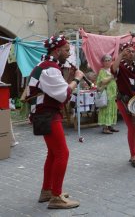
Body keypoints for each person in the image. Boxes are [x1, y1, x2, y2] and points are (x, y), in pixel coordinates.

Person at [26, 35, 83, 209]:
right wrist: (77, 79)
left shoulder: (46, 65)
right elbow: (64, 94)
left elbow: (55, 90)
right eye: (66, 50)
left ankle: (47, 191)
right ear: (57, 50)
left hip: (45, 114)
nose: (68, 53)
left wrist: (69, 79)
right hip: (47, 115)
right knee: (62, 154)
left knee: (53, 153)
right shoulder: (49, 68)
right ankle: (56, 196)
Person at [96, 54, 118, 134]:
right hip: (106, 93)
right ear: (103, 62)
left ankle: (110, 126)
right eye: (106, 60)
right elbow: (102, 81)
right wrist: (112, 76)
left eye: (109, 60)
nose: (108, 62)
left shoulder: (112, 69)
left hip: (113, 94)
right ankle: (105, 128)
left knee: (112, 109)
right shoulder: (102, 71)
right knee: (106, 110)